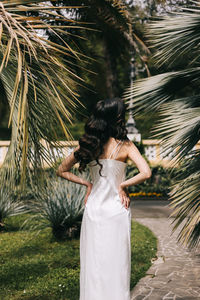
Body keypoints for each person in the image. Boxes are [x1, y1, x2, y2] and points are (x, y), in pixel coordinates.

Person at [56, 97, 152, 300]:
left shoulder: (89, 145)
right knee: (117, 263)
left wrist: (88, 184)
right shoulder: (125, 146)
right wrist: (123, 185)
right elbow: (146, 172)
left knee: (94, 263)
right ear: (115, 118)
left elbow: (61, 170)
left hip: (95, 209)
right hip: (116, 210)